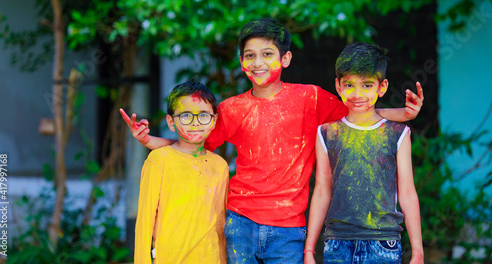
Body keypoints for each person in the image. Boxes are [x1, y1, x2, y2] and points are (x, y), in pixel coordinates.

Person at [122, 18, 424, 263]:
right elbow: (192, 146)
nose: (258, 63)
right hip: (240, 221)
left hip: (289, 227)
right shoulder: (232, 108)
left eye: (268, 54)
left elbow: (359, 111)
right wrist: (150, 140)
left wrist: (403, 114)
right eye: (250, 56)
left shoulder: (311, 98)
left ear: (286, 58)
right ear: (241, 62)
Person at [304, 42, 424, 264]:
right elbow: (322, 190)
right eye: (349, 85)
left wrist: (418, 250)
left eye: (367, 85)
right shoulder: (327, 133)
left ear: (382, 86)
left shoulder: (397, 133)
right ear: (338, 87)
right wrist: (309, 249)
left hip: (383, 243)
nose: (357, 93)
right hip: (337, 243)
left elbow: (407, 193)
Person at [133, 80, 229, 264]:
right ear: (171, 122)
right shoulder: (158, 160)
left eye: (203, 115)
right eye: (185, 116)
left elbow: (220, 224)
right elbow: (144, 224)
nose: (195, 123)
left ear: (214, 120)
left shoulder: (220, 166)